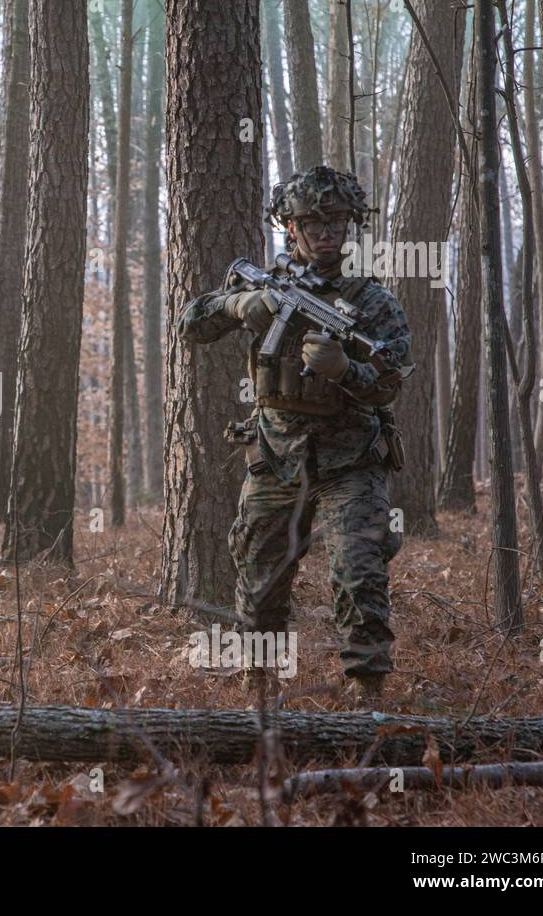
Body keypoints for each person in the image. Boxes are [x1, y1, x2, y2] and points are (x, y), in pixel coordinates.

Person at [178, 166, 413, 707]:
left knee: (359, 573)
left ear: (351, 225)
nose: (326, 232)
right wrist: (238, 305)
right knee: (259, 581)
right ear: (290, 226)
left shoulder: (372, 302)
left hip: (350, 462)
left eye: (336, 221)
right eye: (313, 222)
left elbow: (390, 386)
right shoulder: (262, 282)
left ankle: (366, 691)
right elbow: (193, 323)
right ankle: (258, 692)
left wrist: (344, 371)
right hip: (274, 458)